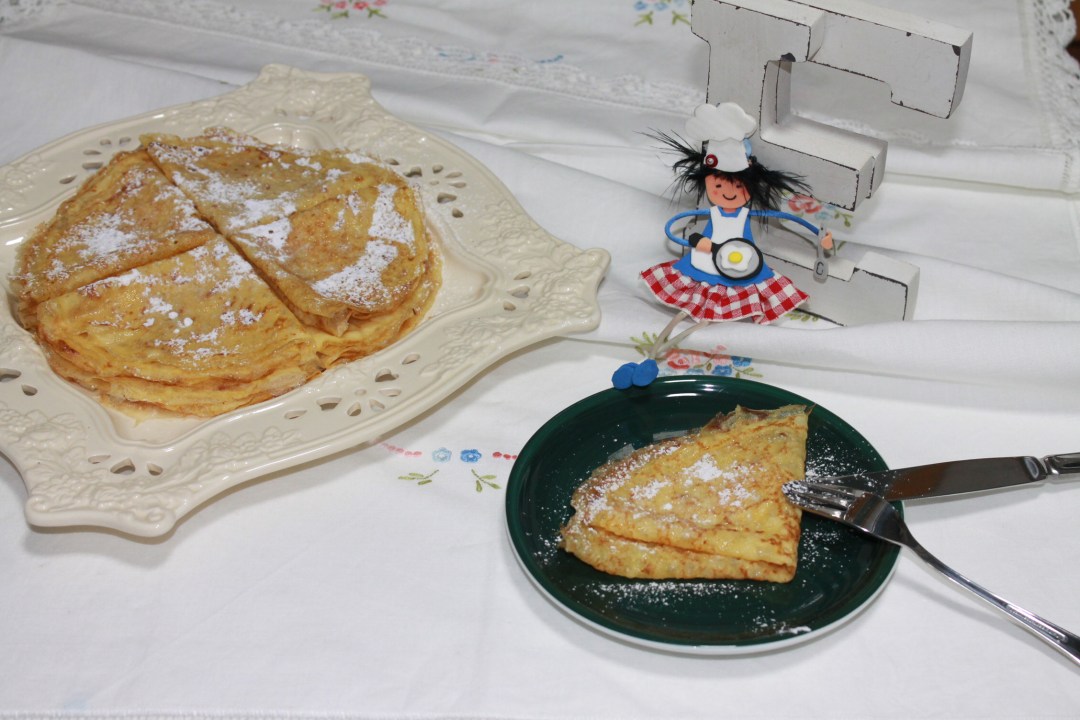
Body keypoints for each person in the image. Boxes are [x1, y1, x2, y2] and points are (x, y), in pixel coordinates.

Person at [613, 103, 833, 390]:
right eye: (718, 187)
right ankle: (650, 358)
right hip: (701, 268)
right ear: (707, 184)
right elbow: (672, 228)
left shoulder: (747, 215)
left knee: (700, 322)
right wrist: (697, 241)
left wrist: (820, 235)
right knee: (682, 315)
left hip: (741, 272)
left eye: (738, 188)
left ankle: (653, 359)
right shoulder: (710, 213)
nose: (728, 193)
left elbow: (791, 218)